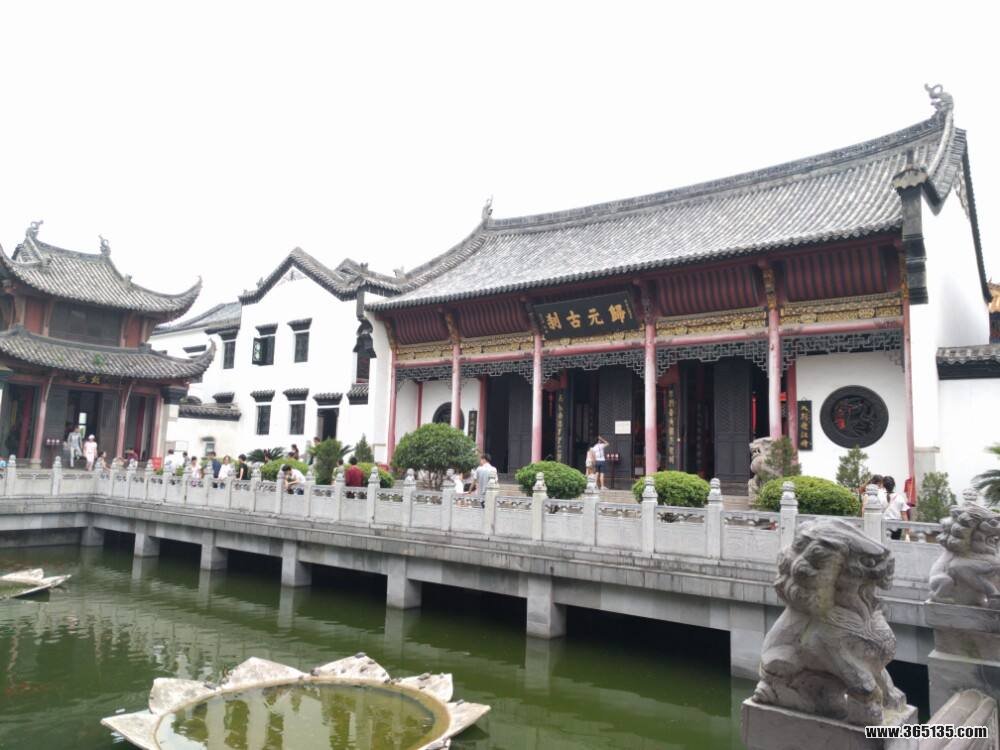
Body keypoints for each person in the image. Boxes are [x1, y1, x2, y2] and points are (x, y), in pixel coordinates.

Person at [883, 475, 909, 539]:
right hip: (897, 525)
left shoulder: (880, 496)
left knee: (882, 543)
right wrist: (907, 533)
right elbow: (904, 515)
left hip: (884, 524)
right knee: (895, 543)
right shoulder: (900, 498)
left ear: (883, 486)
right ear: (894, 485)